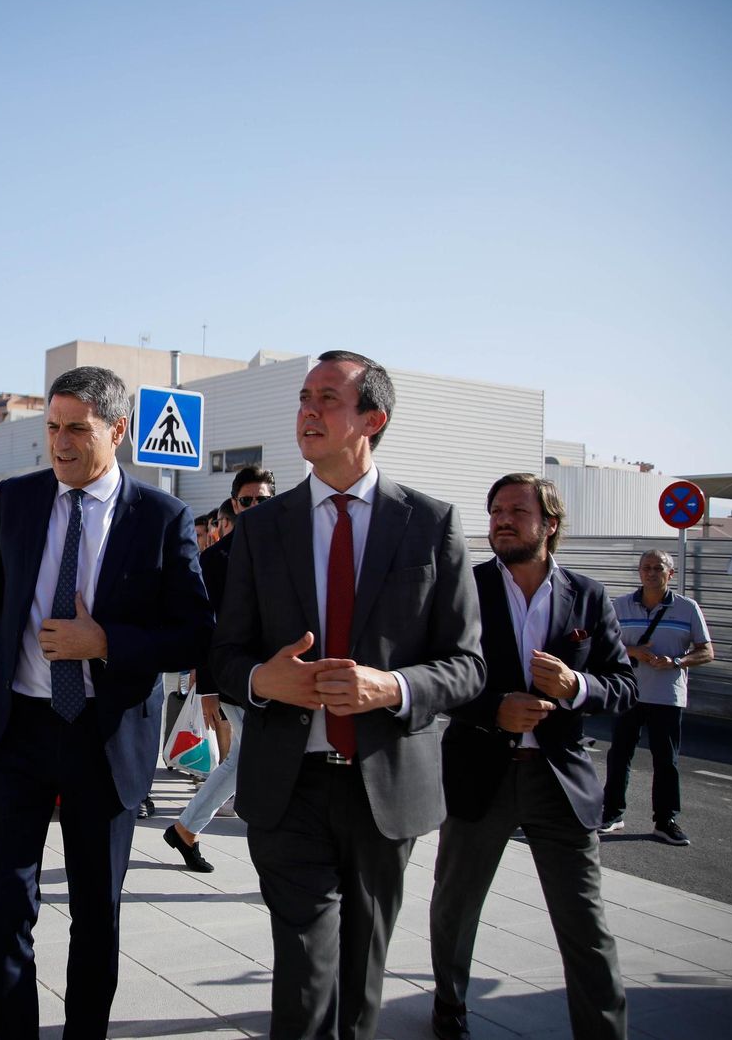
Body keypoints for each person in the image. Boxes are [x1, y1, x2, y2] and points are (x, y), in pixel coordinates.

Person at [211, 350, 484, 1040]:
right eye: (304, 396)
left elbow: (467, 666)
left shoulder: (430, 525)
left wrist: (390, 686)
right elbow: (224, 652)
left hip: (385, 786)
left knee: (361, 987)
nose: (307, 409)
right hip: (288, 784)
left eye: (327, 398)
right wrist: (257, 681)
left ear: (372, 419)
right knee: (303, 979)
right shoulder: (261, 528)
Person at [0, 366, 212, 1039]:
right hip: (16, 733)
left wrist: (106, 642)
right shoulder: (16, 499)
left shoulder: (162, 518)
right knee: (6, 909)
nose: (60, 444)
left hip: (105, 738)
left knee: (98, 913)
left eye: (77, 429)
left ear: (118, 431)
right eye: (52, 427)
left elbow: (194, 633)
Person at [429, 474, 635, 1040]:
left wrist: (575, 686)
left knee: (585, 922)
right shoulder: (464, 590)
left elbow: (622, 686)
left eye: (517, 510)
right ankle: (449, 1007)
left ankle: (602, 1030)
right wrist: (494, 708)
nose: (501, 519)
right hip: (480, 775)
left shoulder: (588, 596)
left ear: (550, 523)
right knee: (455, 907)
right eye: (495, 509)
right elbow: (440, 680)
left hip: (559, 782)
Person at [163, 466, 273, 873]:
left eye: (264, 499)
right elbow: (205, 626)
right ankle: (188, 829)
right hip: (233, 678)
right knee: (250, 758)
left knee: (244, 759)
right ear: (234, 505)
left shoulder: (287, 548)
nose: (256, 507)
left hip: (277, 676)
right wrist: (207, 686)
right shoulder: (216, 560)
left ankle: (186, 829)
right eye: (247, 500)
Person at [599, 549, 714, 846]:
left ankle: (665, 821)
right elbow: (602, 648)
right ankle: (612, 813)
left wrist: (676, 662)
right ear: (639, 572)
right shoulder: (620, 606)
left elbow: (706, 651)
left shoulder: (687, 608)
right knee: (619, 754)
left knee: (666, 760)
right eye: (646, 568)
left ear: (670, 574)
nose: (651, 573)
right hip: (628, 692)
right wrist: (633, 652)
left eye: (658, 568)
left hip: (667, 695)